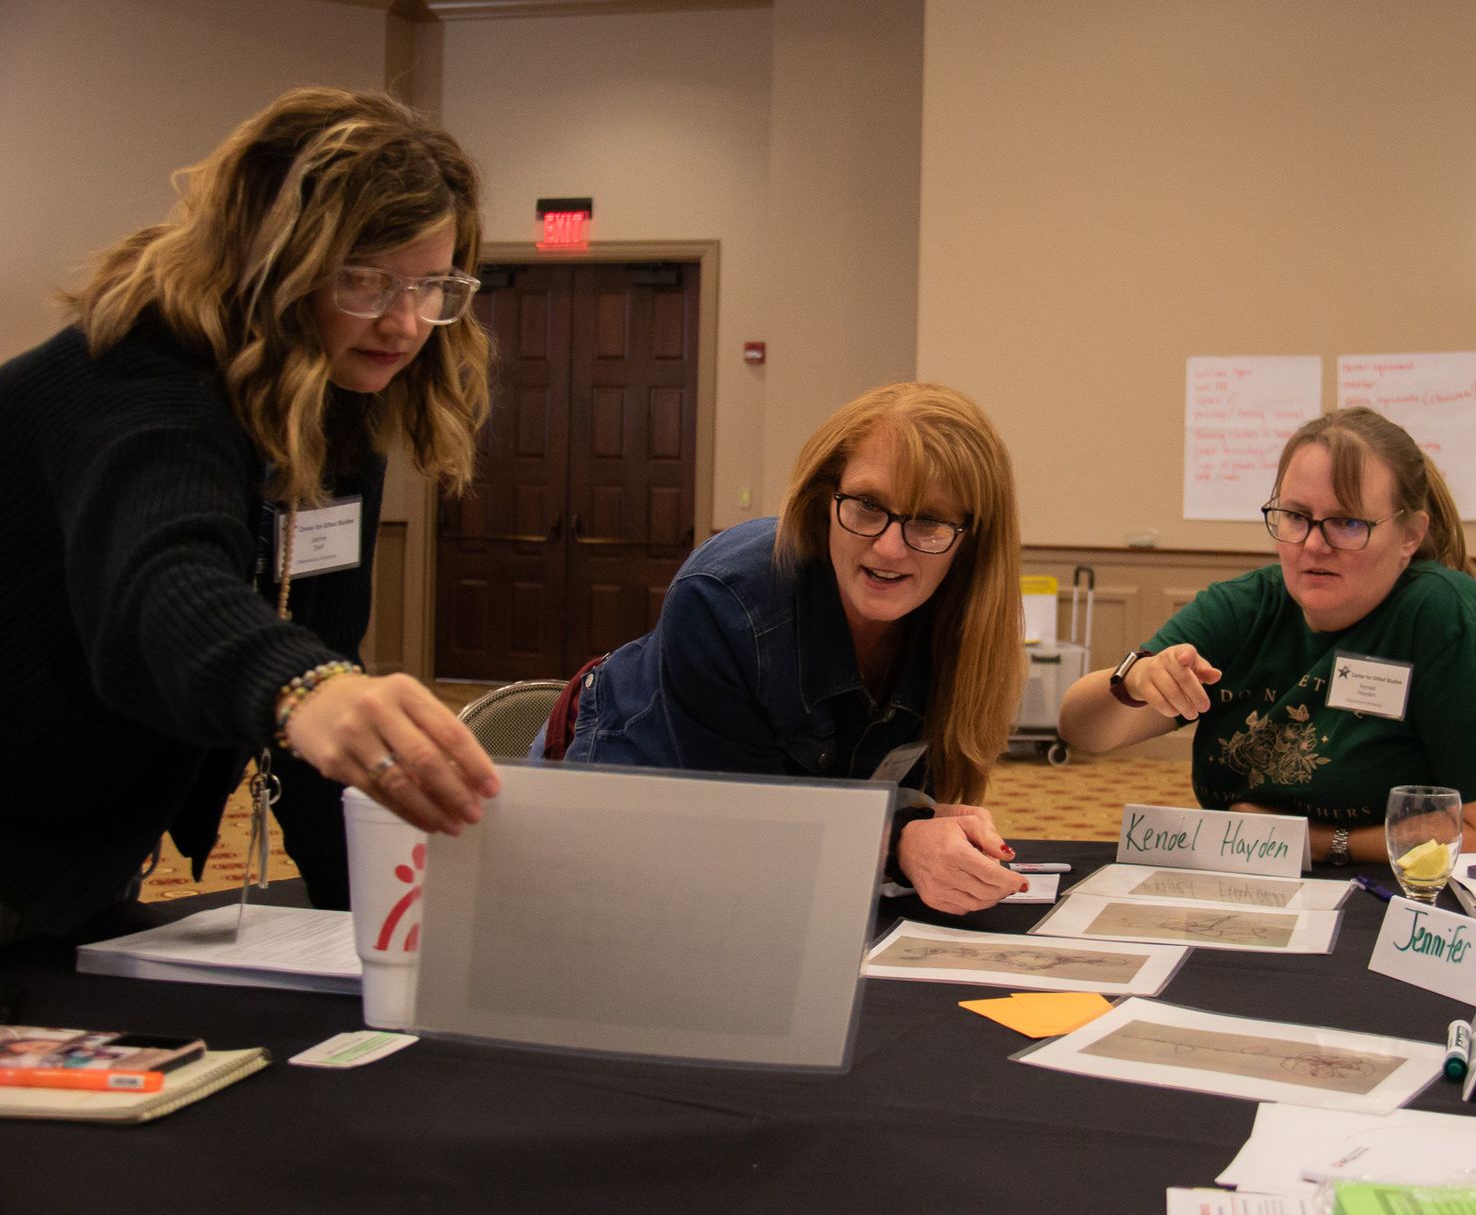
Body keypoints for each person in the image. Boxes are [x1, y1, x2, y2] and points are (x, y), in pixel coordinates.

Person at [0, 88, 500, 944]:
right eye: (365, 280)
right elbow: (163, 589)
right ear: (270, 265)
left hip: (78, 841)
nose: (406, 321)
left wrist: (381, 934)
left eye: (431, 285)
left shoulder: (333, 403)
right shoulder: (136, 381)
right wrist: (301, 688)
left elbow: (324, 679)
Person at [566, 382, 1029, 914]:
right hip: (629, 820)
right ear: (823, 499)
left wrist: (933, 832)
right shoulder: (725, 600)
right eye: (867, 505)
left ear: (972, 537)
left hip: (801, 861)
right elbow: (742, 830)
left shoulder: (965, 614)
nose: (888, 547)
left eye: (928, 521)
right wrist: (900, 838)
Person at [1057, 407, 1476, 864]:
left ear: (1410, 535)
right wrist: (1135, 680)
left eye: (1346, 523)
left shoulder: (1450, 620)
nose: (1314, 545)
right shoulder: (1245, 607)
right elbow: (1083, 732)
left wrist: (1311, 839)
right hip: (1248, 882)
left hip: (1401, 897)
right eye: (1296, 517)